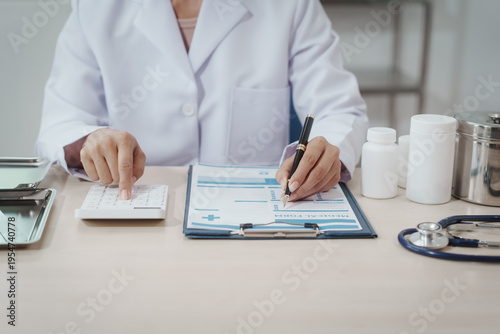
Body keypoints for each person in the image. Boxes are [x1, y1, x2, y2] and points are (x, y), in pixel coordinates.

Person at [35, 0, 368, 201]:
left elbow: (339, 109)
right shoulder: (95, 8)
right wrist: (89, 141)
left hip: (254, 215)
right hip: (135, 204)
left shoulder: (290, 6)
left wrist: (328, 150)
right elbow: (60, 123)